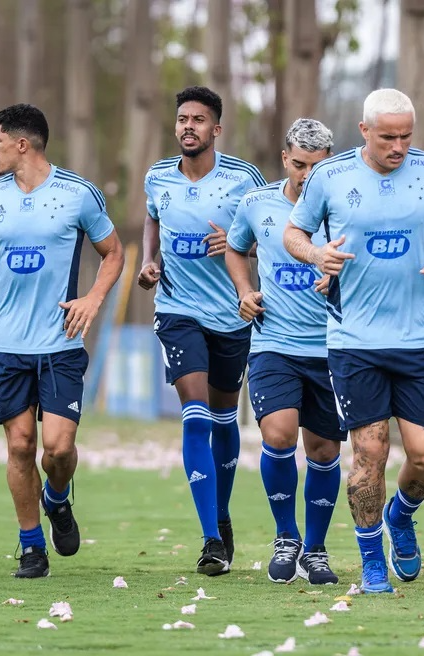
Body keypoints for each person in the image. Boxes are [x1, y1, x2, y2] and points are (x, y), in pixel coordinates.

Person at [284, 88, 424, 594]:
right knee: (370, 452)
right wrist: (317, 255)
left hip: (416, 341)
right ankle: (371, 563)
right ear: (364, 131)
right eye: (388, 136)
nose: (399, 146)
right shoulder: (330, 176)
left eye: (406, 135)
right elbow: (293, 234)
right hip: (354, 341)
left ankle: (401, 516)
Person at [0, 104, 123, 578]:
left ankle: (58, 498)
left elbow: (113, 252)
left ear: (22, 144)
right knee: (21, 447)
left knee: (58, 451)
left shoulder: (78, 194)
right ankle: (31, 546)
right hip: (6, 346)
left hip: (62, 344)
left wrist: (93, 298)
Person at [137, 86, 265, 575]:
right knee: (194, 414)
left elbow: (273, 231)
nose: (188, 126)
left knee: (223, 419)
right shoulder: (157, 177)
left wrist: (241, 247)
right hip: (177, 310)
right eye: (182, 119)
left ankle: (222, 513)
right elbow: (152, 217)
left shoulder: (243, 179)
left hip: (232, 314)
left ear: (216, 129)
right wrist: (150, 261)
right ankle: (211, 538)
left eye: (199, 120)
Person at [225, 118, 344, 586]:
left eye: (316, 167)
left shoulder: (345, 208)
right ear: (284, 160)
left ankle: (315, 549)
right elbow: (236, 249)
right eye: (298, 165)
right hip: (274, 342)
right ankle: (286, 537)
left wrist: (338, 279)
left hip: (334, 347)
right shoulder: (257, 204)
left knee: (324, 448)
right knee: (277, 435)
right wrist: (244, 290)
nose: (306, 175)